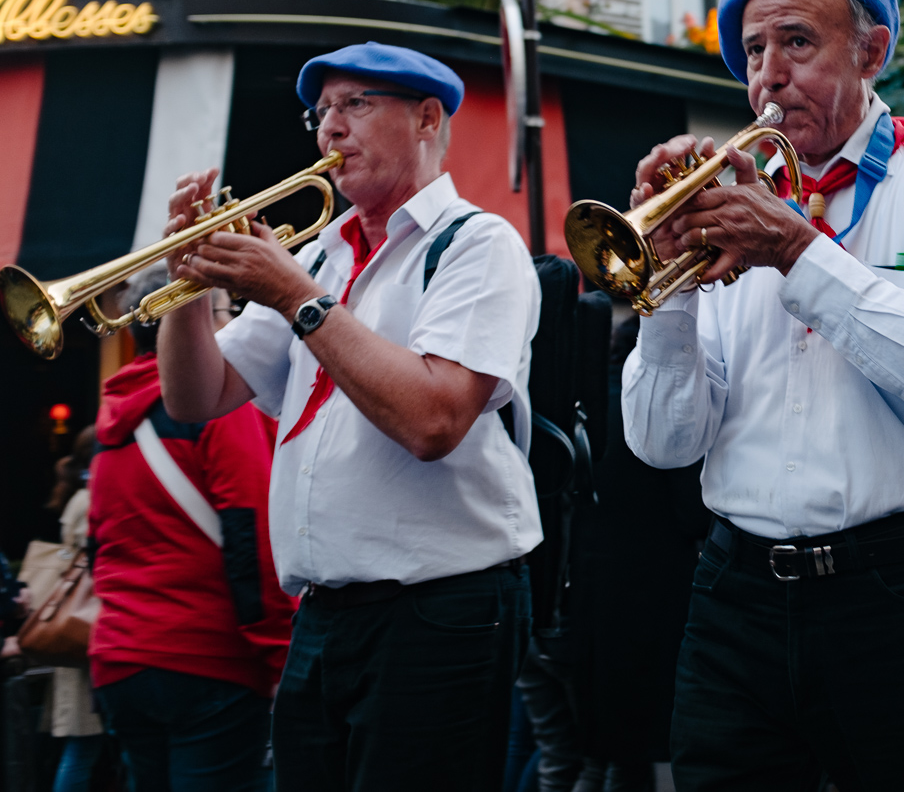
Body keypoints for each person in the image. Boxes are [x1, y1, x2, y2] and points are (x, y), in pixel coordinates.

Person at [622, 0, 904, 791]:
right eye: (753, 54)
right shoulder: (730, 202)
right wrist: (667, 284)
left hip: (899, 595)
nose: (768, 76)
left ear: (870, 54)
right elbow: (663, 443)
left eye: (796, 43)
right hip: (736, 594)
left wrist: (797, 249)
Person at [154, 42, 542, 791]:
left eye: (356, 104)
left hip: (440, 609)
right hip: (325, 614)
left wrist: (295, 295)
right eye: (322, 110)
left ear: (427, 118)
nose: (331, 128)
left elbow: (433, 420)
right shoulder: (325, 258)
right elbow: (195, 397)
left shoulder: (479, 243)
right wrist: (187, 286)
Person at [89, 271, 293, 791]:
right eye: (224, 313)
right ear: (193, 318)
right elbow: (254, 534)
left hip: (120, 657)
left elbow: (99, 548)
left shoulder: (111, 424)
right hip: (209, 658)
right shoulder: (218, 407)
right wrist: (281, 655)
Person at [43, 428, 104, 792]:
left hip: (86, 629)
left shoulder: (81, 497)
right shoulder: (89, 498)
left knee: (86, 746)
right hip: (87, 630)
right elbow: (91, 559)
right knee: (82, 746)